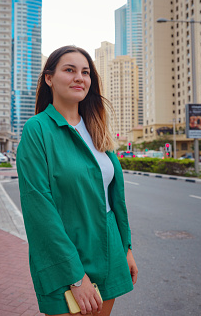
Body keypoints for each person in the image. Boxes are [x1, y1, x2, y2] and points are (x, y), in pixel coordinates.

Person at [17, 46, 138, 316]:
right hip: (64, 253)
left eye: (85, 72)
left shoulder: (97, 129)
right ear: (49, 78)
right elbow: (39, 209)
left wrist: (126, 248)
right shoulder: (37, 130)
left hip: (109, 249)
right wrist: (75, 276)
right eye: (69, 70)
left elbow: (114, 197)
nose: (79, 77)